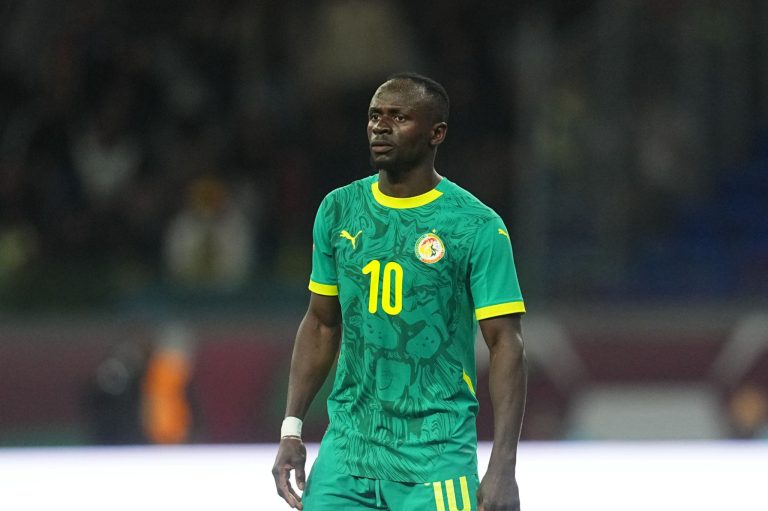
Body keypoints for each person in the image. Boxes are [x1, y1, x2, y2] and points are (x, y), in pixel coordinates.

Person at [272, 72, 527, 511]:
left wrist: (503, 465)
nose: (380, 127)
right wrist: (291, 430)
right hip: (347, 455)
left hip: (434, 458)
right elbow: (321, 323)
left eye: (399, 117)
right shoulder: (339, 210)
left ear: (436, 133)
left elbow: (506, 344)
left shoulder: (476, 225)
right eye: (375, 116)